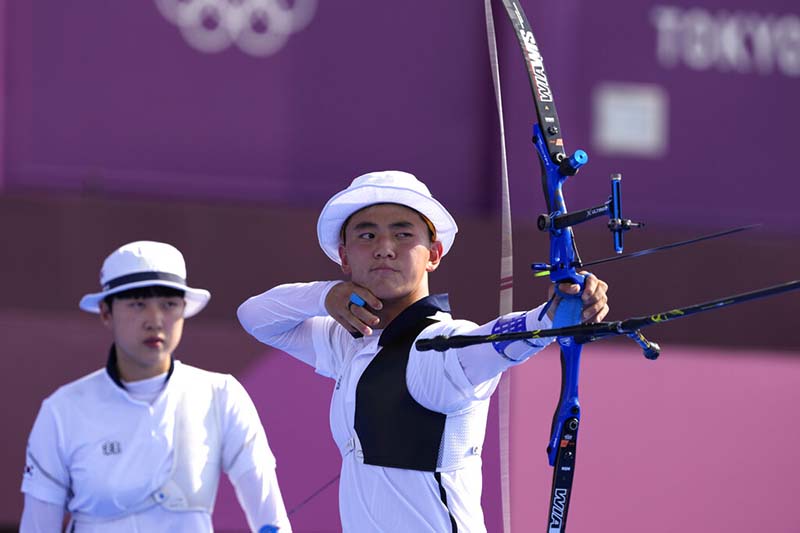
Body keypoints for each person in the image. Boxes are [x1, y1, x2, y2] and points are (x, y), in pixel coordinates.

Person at [237, 171, 608, 532]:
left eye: (403, 233)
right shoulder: (350, 342)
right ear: (345, 257)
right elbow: (255, 317)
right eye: (367, 235)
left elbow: (492, 343)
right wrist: (323, 295)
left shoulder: (441, 346)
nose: (384, 248)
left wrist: (549, 318)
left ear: (433, 253)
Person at [20, 241, 291, 532]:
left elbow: (271, 519)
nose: (155, 320)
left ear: (184, 310)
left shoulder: (222, 394)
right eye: (137, 304)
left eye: (169, 304)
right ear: (105, 312)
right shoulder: (62, 410)